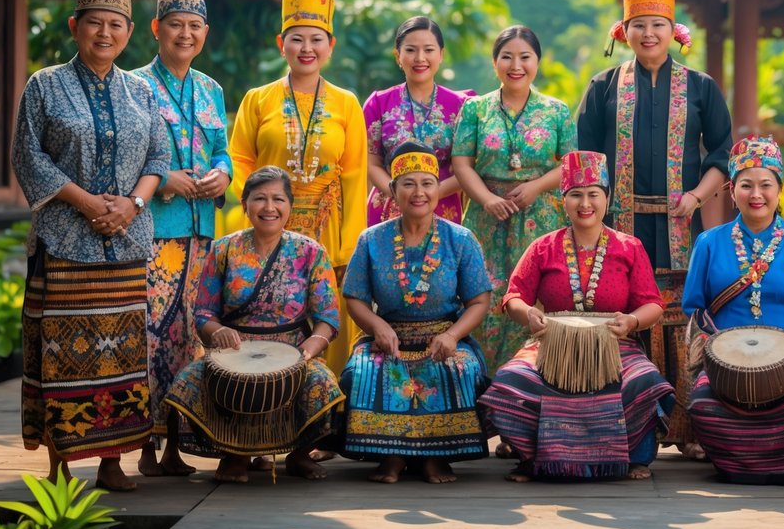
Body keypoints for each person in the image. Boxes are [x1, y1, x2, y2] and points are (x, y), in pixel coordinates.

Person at [12, 0, 170, 492]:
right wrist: (86, 203)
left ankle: (111, 461)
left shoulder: (142, 91)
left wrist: (132, 205)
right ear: (74, 25)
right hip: (63, 242)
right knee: (61, 355)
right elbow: (29, 156)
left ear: (129, 32)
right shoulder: (44, 85)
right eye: (95, 23)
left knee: (122, 355)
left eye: (116, 24)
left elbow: (158, 157)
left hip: (126, 244)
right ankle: (60, 461)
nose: (105, 33)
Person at [576, 0, 732, 450]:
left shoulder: (701, 87)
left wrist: (697, 197)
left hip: (680, 223)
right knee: (617, 316)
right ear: (623, 31)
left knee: (680, 321)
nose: (648, 33)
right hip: (616, 227)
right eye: (639, 25)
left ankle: (687, 429)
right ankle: (618, 428)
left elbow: (721, 152)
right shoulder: (602, 86)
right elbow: (585, 159)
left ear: (673, 30)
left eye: (657, 24)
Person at [479, 151, 675, 481]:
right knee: (511, 381)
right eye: (576, 195)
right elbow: (514, 297)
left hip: (614, 345)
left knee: (646, 381)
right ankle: (533, 458)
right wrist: (529, 315)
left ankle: (631, 457)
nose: (585, 204)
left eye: (593, 194)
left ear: (607, 199)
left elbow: (652, 304)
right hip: (550, 345)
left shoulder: (629, 247)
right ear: (563, 201)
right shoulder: (543, 247)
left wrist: (631, 321)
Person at [164, 166, 345, 483]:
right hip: (234, 352)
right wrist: (218, 331)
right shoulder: (223, 249)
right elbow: (203, 313)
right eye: (260, 198)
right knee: (189, 380)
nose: (269, 207)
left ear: (289, 205)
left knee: (323, 382)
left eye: (278, 199)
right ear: (245, 204)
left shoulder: (311, 252)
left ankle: (299, 454)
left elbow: (328, 317)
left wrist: (310, 348)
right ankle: (235, 454)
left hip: (292, 352)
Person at [683, 137, 784, 485]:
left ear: (779, 190)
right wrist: (717, 347)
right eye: (746, 185)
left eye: (766, 185)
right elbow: (695, 309)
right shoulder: (708, 243)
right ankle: (755, 460)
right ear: (732, 191)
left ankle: (780, 458)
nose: (756, 194)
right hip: (728, 365)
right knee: (702, 404)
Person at [230, 0, 368, 373]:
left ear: (330, 46)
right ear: (281, 44)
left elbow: (355, 175)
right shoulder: (258, 99)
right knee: (267, 314)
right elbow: (239, 159)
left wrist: (348, 250)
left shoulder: (346, 103)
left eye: (316, 39)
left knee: (326, 317)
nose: (307, 48)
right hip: (268, 224)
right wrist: (257, 209)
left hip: (328, 227)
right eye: (297, 39)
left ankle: (325, 400)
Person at [339, 142, 492, 484]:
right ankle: (391, 454)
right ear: (393, 190)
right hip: (388, 339)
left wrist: (452, 335)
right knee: (363, 371)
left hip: (443, 339)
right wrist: (376, 326)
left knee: (461, 369)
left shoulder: (460, 239)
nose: (419, 192)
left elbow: (479, 301)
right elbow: (355, 299)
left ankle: (435, 457)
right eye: (408, 184)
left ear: (439, 188)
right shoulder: (371, 240)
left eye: (427, 183)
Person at [130, 0, 232, 478]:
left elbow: (222, 150)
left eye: (194, 26)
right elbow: (126, 159)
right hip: (155, 233)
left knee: (192, 339)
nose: (185, 34)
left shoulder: (211, 90)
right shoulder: (133, 86)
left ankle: (178, 443)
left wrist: (222, 174)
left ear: (205, 33)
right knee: (151, 339)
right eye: (176, 24)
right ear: (156, 28)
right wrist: (164, 179)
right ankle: (144, 446)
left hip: (202, 236)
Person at [453, 25, 575, 374]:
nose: (516, 65)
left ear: (538, 61)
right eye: (507, 57)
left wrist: (536, 186)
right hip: (486, 217)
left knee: (537, 295)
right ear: (495, 63)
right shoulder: (475, 109)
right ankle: (480, 382)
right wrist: (487, 199)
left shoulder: (556, 111)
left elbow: (570, 163)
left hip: (541, 217)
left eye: (525, 57)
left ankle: (534, 382)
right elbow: (461, 162)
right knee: (484, 294)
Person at [364, 16, 473, 226]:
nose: (420, 58)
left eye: (429, 50)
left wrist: (427, 195)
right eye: (411, 50)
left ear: (441, 55)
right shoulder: (378, 103)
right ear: (398, 55)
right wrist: (399, 193)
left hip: (443, 207)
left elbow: (467, 167)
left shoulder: (463, 106)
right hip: (389, 206)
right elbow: (371, 162)